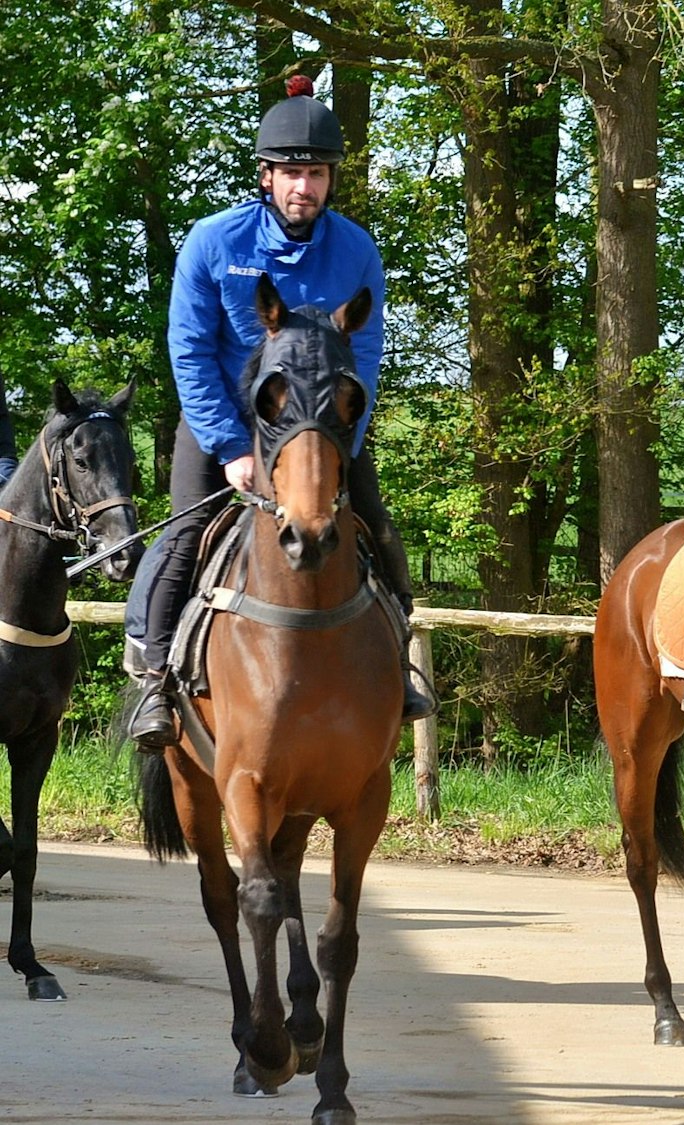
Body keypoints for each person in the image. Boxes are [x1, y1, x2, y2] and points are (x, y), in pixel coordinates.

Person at [129, 74, 431, 749]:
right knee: (182, 539)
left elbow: (367, 358)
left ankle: (401, 668)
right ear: (267, 176)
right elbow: (189, 350)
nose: (305, 185)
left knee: (377, 528)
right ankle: (153, 680)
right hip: (226, 426)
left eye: (316, 172)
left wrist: (333, 445)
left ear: (330, 180)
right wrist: (233, 449)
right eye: (292, 171)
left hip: (320, 432)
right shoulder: (214, 243)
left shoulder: (356, 251)